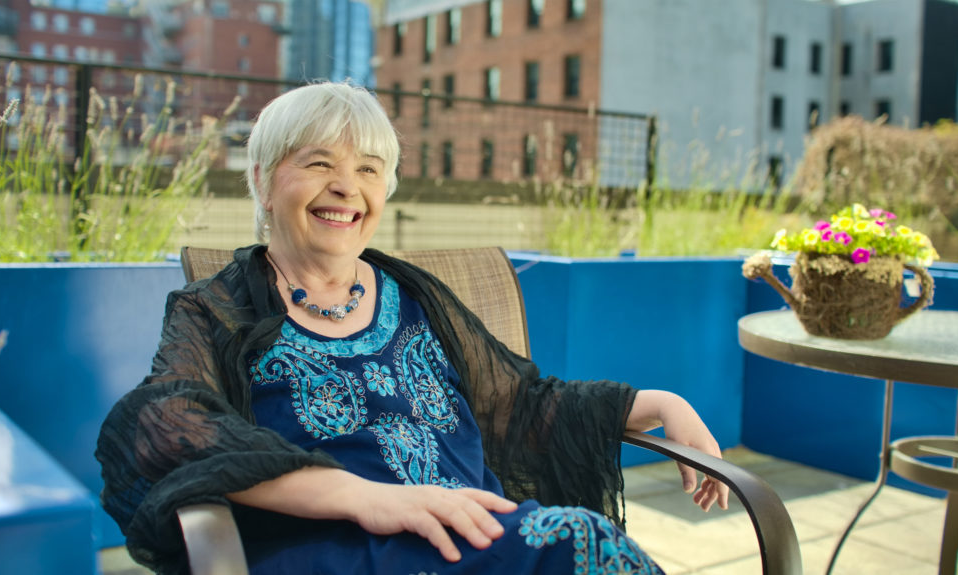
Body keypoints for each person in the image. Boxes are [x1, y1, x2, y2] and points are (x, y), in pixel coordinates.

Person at [96, 82, 729, 575]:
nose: (346, 187)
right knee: (581, 545)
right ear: (263, 180)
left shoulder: (414, 294)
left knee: (570, 545)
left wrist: (663, 403)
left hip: (471, 535)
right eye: (318, 163)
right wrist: (363, 496)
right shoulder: (215, 310)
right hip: (331, 549)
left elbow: (521, 404)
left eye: (370, 169)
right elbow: (165, 424)